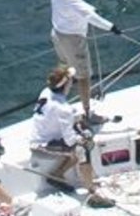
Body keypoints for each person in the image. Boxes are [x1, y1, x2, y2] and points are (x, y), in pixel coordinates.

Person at [26, 67, 115, 206]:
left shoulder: (46, 92)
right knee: (82, 150)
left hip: (40, 138)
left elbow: (58, 116)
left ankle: (57, 174)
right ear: (66, 85)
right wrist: (83, 138)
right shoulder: (63, 109)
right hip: (42, 145)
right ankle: (93, 193)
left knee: (80, 136)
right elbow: (70, 140)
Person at [47, 0, 120, 109]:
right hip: (72, 39)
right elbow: (89, 16)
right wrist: (111, 27)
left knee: (65, 69)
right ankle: (87, 113)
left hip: (58, 34)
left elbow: (73, 5)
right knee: (83, 76)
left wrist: (86, 7)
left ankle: (57, 102)